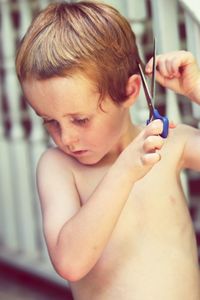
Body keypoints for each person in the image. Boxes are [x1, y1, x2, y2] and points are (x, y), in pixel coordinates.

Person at [15, 1, 200, 299]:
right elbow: (70, 263)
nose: (67, 139)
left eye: (80, 119)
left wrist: (197, 89)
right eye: (50, 122)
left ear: (129, 91)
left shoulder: (171, 144)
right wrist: (124, 172)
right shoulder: (58, 167)